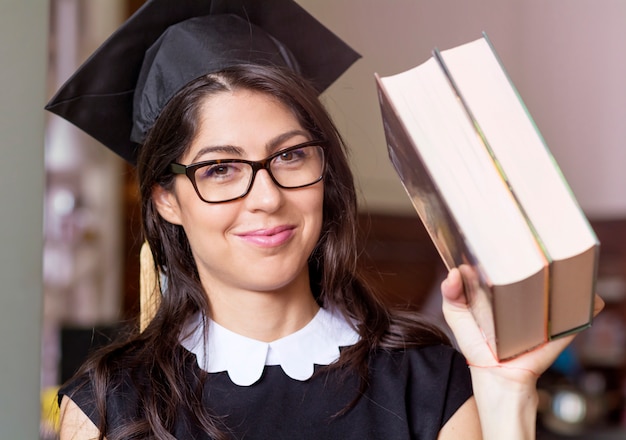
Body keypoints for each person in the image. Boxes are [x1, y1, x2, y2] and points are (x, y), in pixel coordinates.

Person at [46, 1, 602, 439]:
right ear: (166, 198)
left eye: (290, 155)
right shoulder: (107, 407)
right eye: (220, 168)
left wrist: (508, 391)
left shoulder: (431, 383)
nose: (265, 197)